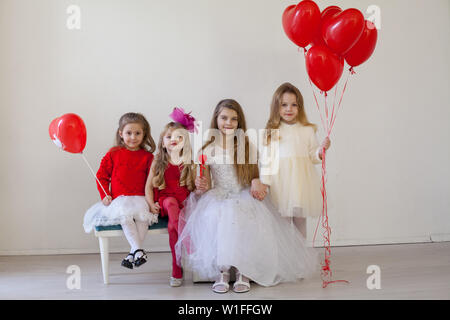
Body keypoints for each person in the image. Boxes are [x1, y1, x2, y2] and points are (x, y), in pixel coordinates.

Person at [175, 99, 319, 294]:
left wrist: (256, 182)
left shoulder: (245, 146)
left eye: (234, 119)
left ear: (239, 123)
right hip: (218, 195)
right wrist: (200, 187)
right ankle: (223, 272)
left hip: (241, 194)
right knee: (219, 217)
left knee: (244, 217)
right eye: (224, 118)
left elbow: (254, 176)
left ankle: (245, 271)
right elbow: (204, 184)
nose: (228, 122)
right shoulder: (207, 150)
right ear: (216, 119)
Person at [83, 113, 158, 269]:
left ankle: (134, 251)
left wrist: (152, 201)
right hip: (120, 199)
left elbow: (153, 183)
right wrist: (105, 195)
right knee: (125, 216)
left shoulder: (148, 157)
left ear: (144, 134)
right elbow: (101, 176)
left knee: (143, 217)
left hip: (141, 198)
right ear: (121, 133)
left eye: (138, 133)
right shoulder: (114, 154)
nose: (133, 137)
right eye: (129, 133)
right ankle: (137, 250)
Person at [256, 82, 331, 238]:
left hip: (301, 182)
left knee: (300, 220)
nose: (289, 109)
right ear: (276, 107)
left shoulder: (307, 130)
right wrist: (264, 182)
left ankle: (301, 256)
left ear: (300, 107)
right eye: (284, 105)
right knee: (282, 222)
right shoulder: (272, 131)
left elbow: (312, 154)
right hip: (280, 183)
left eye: (293, 105)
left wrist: (320, 151)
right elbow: (267, 160)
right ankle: (285, 257)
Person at [145, 109, 197, 287]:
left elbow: (194, 189)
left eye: (179, 137)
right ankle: (189, 245)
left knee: (173, 226)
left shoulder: (189, 162)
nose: (173, 140)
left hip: (184, 203)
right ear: (162, 142)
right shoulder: (158, 161)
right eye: (169, 137)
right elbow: (148, 187)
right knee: (172, 206)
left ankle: (177, 268)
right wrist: (151, 204)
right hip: (166, 201)